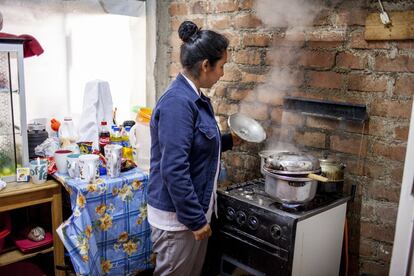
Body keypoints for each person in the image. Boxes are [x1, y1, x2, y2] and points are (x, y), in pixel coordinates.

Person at [147, 20, 240, 276]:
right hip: (179, 220)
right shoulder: (178, 103)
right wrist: (196, 220)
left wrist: (230, 140)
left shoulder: (193, 97)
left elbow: (195, 146)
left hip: (189, 215)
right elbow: (174, 169)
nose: (222, 73)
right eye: (222, 66)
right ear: (205, 65)